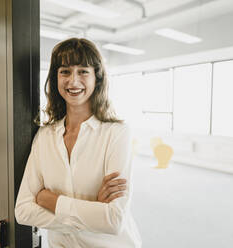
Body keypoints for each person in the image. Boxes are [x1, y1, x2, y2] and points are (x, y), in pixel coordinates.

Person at [15, 38, 142, 248]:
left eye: (83, 71)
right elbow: (23, 211)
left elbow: (113, 220)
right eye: (65, 71)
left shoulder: (117, 133)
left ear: (97, 78)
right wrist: (91, 212)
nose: (73, 81)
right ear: (55, 77)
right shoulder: (45, 136)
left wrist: (50, 201)